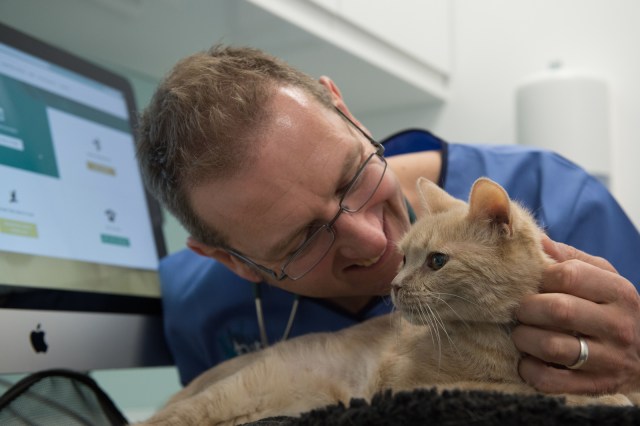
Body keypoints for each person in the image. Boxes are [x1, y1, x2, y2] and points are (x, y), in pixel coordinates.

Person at [136, 45, 640, 396]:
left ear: (346, 111)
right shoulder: (195, 304)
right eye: (304, 238)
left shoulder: (562, 198)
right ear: (232, 260)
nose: (374, 241)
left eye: (350, 177)